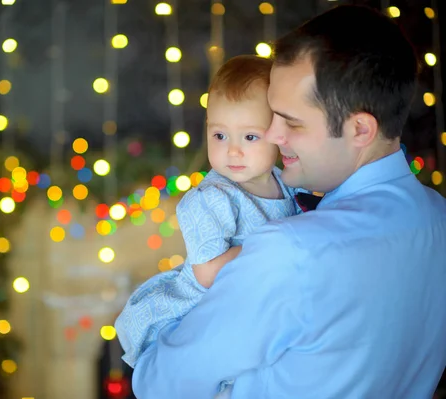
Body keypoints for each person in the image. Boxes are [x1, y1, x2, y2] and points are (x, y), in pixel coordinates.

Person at [128, 5, 446, 399]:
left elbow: (158, 383)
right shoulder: (439, 219)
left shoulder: (289, 251)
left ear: (360, 129)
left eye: (291, 122)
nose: (273, 135)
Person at [114, 54, 307, 398]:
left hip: (259, 308)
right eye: (219, 135)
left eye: (249, 137)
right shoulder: (211, 198)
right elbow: (207, 274)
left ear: (278, 133)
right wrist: (268, 249)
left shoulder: (288, 182)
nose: (232, 151)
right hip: (202, 309)